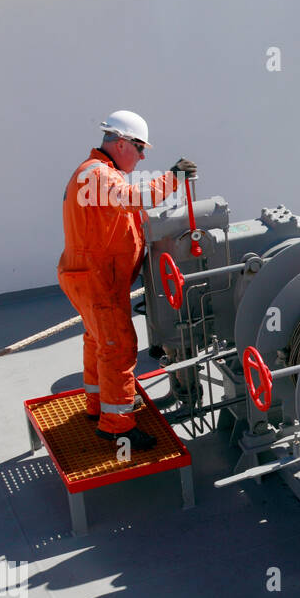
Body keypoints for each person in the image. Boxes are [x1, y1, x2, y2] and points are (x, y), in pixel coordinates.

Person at [58, 110, 196, 450]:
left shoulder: (98, 175)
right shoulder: (97, 176)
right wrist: (174, 177)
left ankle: (97, 405)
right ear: (121, 144)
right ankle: (117, 426)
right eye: (139, 147)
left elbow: (125, 214)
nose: (143, 155)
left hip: (93, 278)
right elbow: (134, 199)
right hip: (96, 281)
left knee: (98, 341)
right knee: (118, 347)